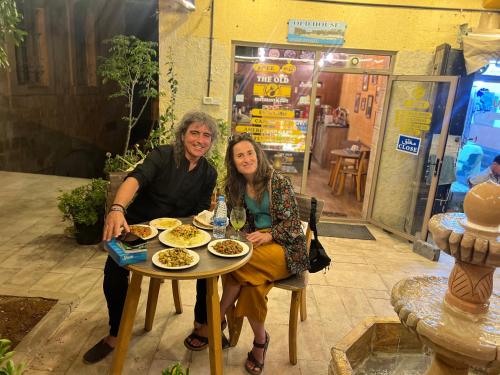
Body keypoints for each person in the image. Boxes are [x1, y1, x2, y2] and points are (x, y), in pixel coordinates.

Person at [83, 111, 218, 364]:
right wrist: (117, 209)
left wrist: (199, 228)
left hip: (178, 234)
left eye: (206, 135)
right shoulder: (163, 155)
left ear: (211, 142)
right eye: (195, 133)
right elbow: (134, 179)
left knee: (210, 267)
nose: (200, 140)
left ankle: (202, 323)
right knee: (114, 268)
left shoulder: (208, 173)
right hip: (140, 228)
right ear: (183, 135)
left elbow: (199, 212)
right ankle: (116, 332)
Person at [218, 133, 307, 375]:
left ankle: (216, 317)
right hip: (256, 244)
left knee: (236, 265)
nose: (246, 158)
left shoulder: (278, 182)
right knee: (251, 286)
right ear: (233, 161)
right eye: (239, 155)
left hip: (285, 247)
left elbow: (293, 226)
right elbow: (236, 220)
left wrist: (269, 235)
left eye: (249, 153)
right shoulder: (234, 185)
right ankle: (260, 341)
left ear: (258, 154)